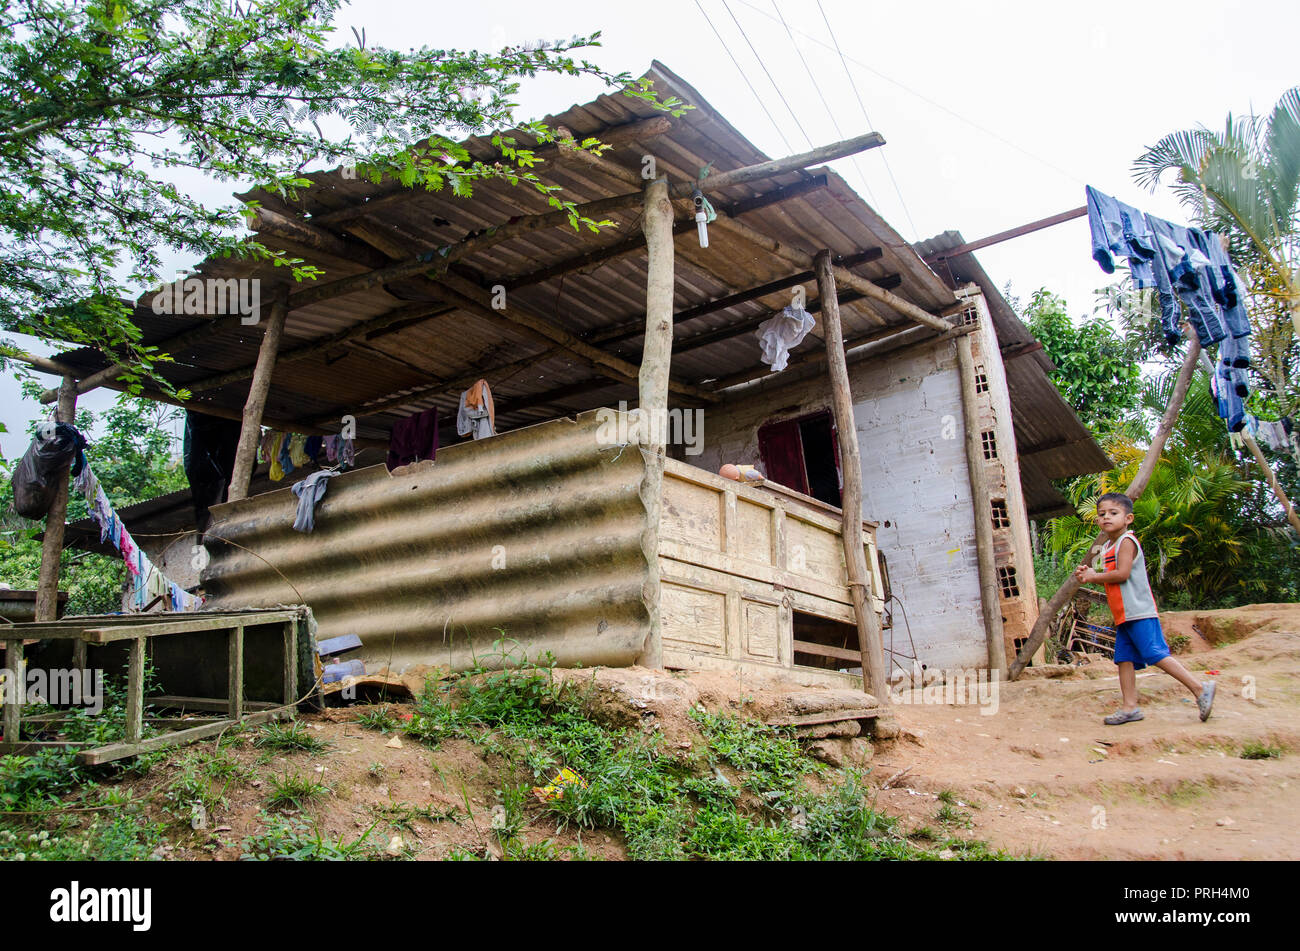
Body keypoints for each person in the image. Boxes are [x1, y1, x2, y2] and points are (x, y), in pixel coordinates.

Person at [1075, 492, 1216, 724]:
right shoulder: (1109, 546)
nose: (1106, 517)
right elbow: (1111, 577)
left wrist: (1092, 577)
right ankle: (1130, 707)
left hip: (1138, 611)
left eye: (1113, 513)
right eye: (1102, 514)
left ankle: (1200, 688)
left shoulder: (1126, 542)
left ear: (1128, 518)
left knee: (1154, 653)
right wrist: (1090, 575)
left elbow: (1122, 574)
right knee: (1124, 658)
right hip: (1124, 614)